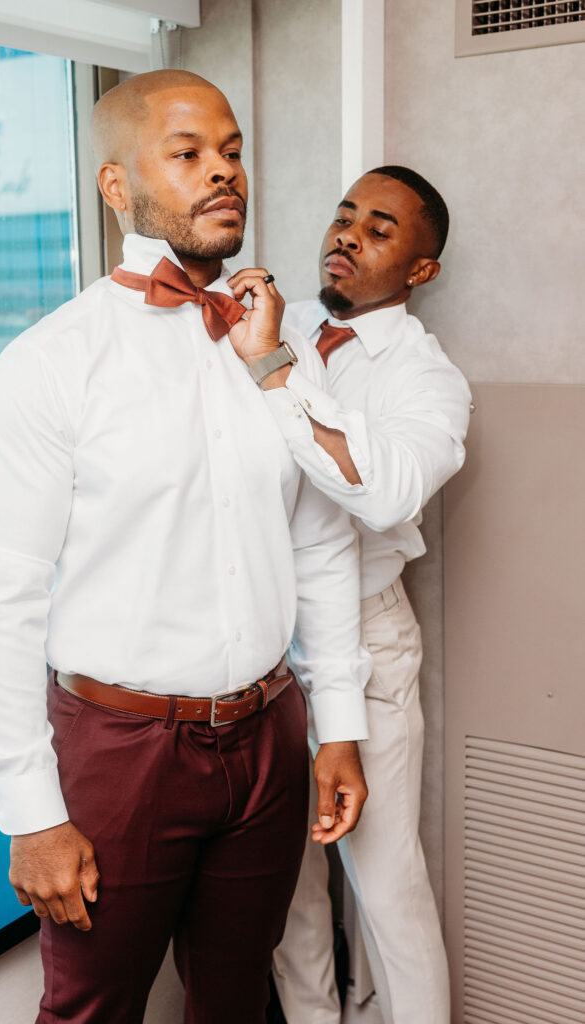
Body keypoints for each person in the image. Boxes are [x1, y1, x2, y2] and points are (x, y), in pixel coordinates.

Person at [0, 70, 374, 1024]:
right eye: (186, 155)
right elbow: (5, 604)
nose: (222, 173)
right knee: (92, 1010)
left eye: (229, 150)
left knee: (234, 999)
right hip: (119, 753)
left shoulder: (276, 344)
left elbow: (318, 538)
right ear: (116, 187)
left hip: (268, 737)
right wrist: (31, 815)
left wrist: (337, 720)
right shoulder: (49, 365)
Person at [230, 167, 470, 1024]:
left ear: (419, 271)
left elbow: (384, 491)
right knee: (284, 890)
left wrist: (270, 371)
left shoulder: (428, 380)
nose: (345, 237)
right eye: (343, 216)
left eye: (378, 230)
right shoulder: (270, 324)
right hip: (256, 649)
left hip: (363, 648)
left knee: (386, 882)